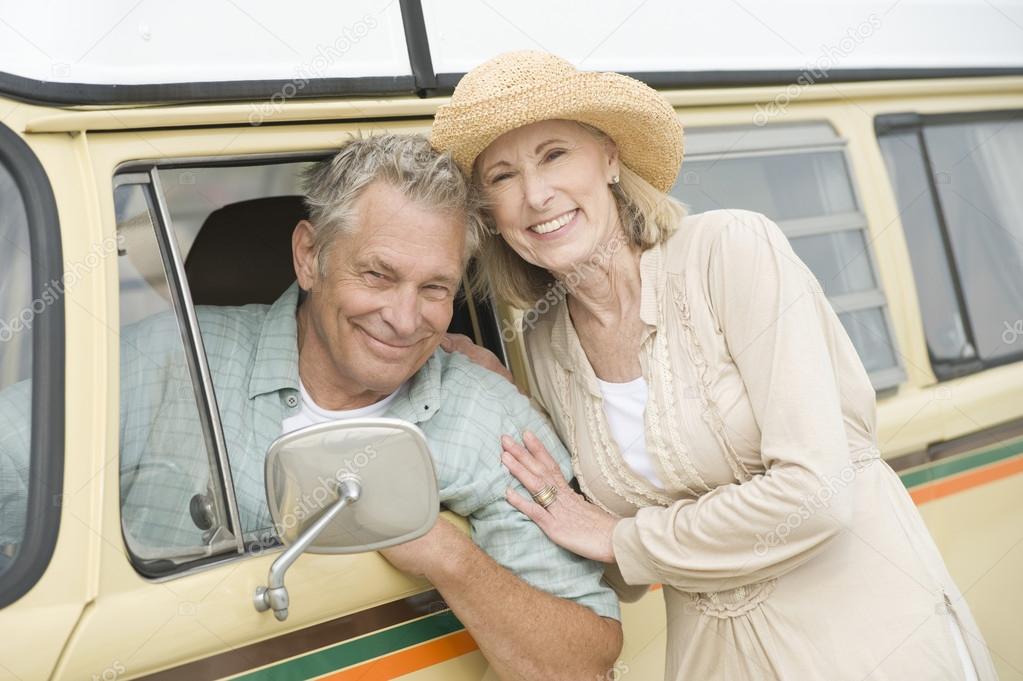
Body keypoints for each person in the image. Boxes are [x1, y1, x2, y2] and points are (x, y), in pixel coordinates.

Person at [431, 51, 996, 681]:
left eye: (554, 154)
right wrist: (504, 409)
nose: (536, 195)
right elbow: (619, 572)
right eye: (503, 177)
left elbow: (816, 496)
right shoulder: (544, 344)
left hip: (866, 644)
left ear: (610, 158)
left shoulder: (730, 250)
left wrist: (624, 539)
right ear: (490, 213)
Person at [0, 134, 622, 680]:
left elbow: (583, 665)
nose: (405, 320)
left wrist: (442, 549)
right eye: (378, 275)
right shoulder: (173, 360)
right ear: (308, 256)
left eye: (435, 289)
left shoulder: (490, 420)